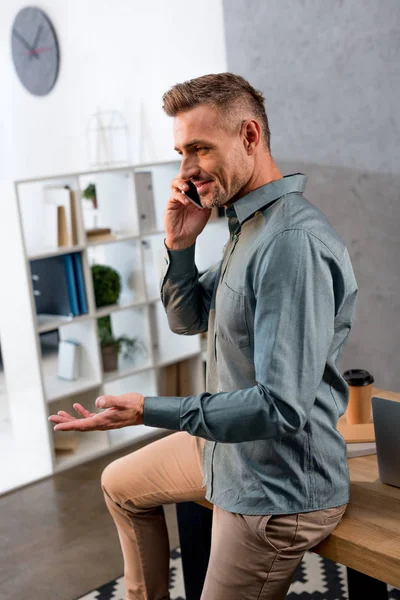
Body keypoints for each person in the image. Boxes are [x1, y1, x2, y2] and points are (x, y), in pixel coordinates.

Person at [49, 72, 358, 600]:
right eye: (180, 151)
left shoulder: (290, 243)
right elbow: (188, 318)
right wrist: (180, 245)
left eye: (199, 149)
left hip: (277, 488)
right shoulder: (249, 229)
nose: (187, 169)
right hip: (230, 452)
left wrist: (148, 409)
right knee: (119, 484)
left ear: (250, 137)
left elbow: (280, 408)